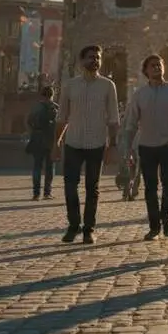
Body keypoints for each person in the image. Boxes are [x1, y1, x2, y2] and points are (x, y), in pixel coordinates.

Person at [53, 45, 120, 244]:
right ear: (82, 61)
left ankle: (89, 229)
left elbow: (113, 118)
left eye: (98, 58)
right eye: (91, 57)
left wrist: (113, 145)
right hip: (73, 142)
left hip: (97, 143)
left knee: (93, 188)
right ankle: (73, 225)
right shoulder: (70, 85)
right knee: (70, 186)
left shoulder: (108, 86)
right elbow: (61, 116)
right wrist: (56, 143)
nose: (95, 61)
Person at [122, 55, 168, 241]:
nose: (157, 68)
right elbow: (131, 124)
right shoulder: (139, 94)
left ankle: (165, 217)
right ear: (146, 70)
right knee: (150, 187)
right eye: (153, 66)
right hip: (147, 146)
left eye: (159, 64)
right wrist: (128, 148)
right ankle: (154, 226)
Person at [26, 86, 59, 200]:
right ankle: (47, 192)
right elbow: (58, 125)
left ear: (42, 95)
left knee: (37, 167)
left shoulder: (36, 107)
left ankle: (36, 193)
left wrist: (33, 134)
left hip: (37, 138)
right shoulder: (55, 107)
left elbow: (29, 122)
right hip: (50, 139)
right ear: (52, 95)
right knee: (50, 168)